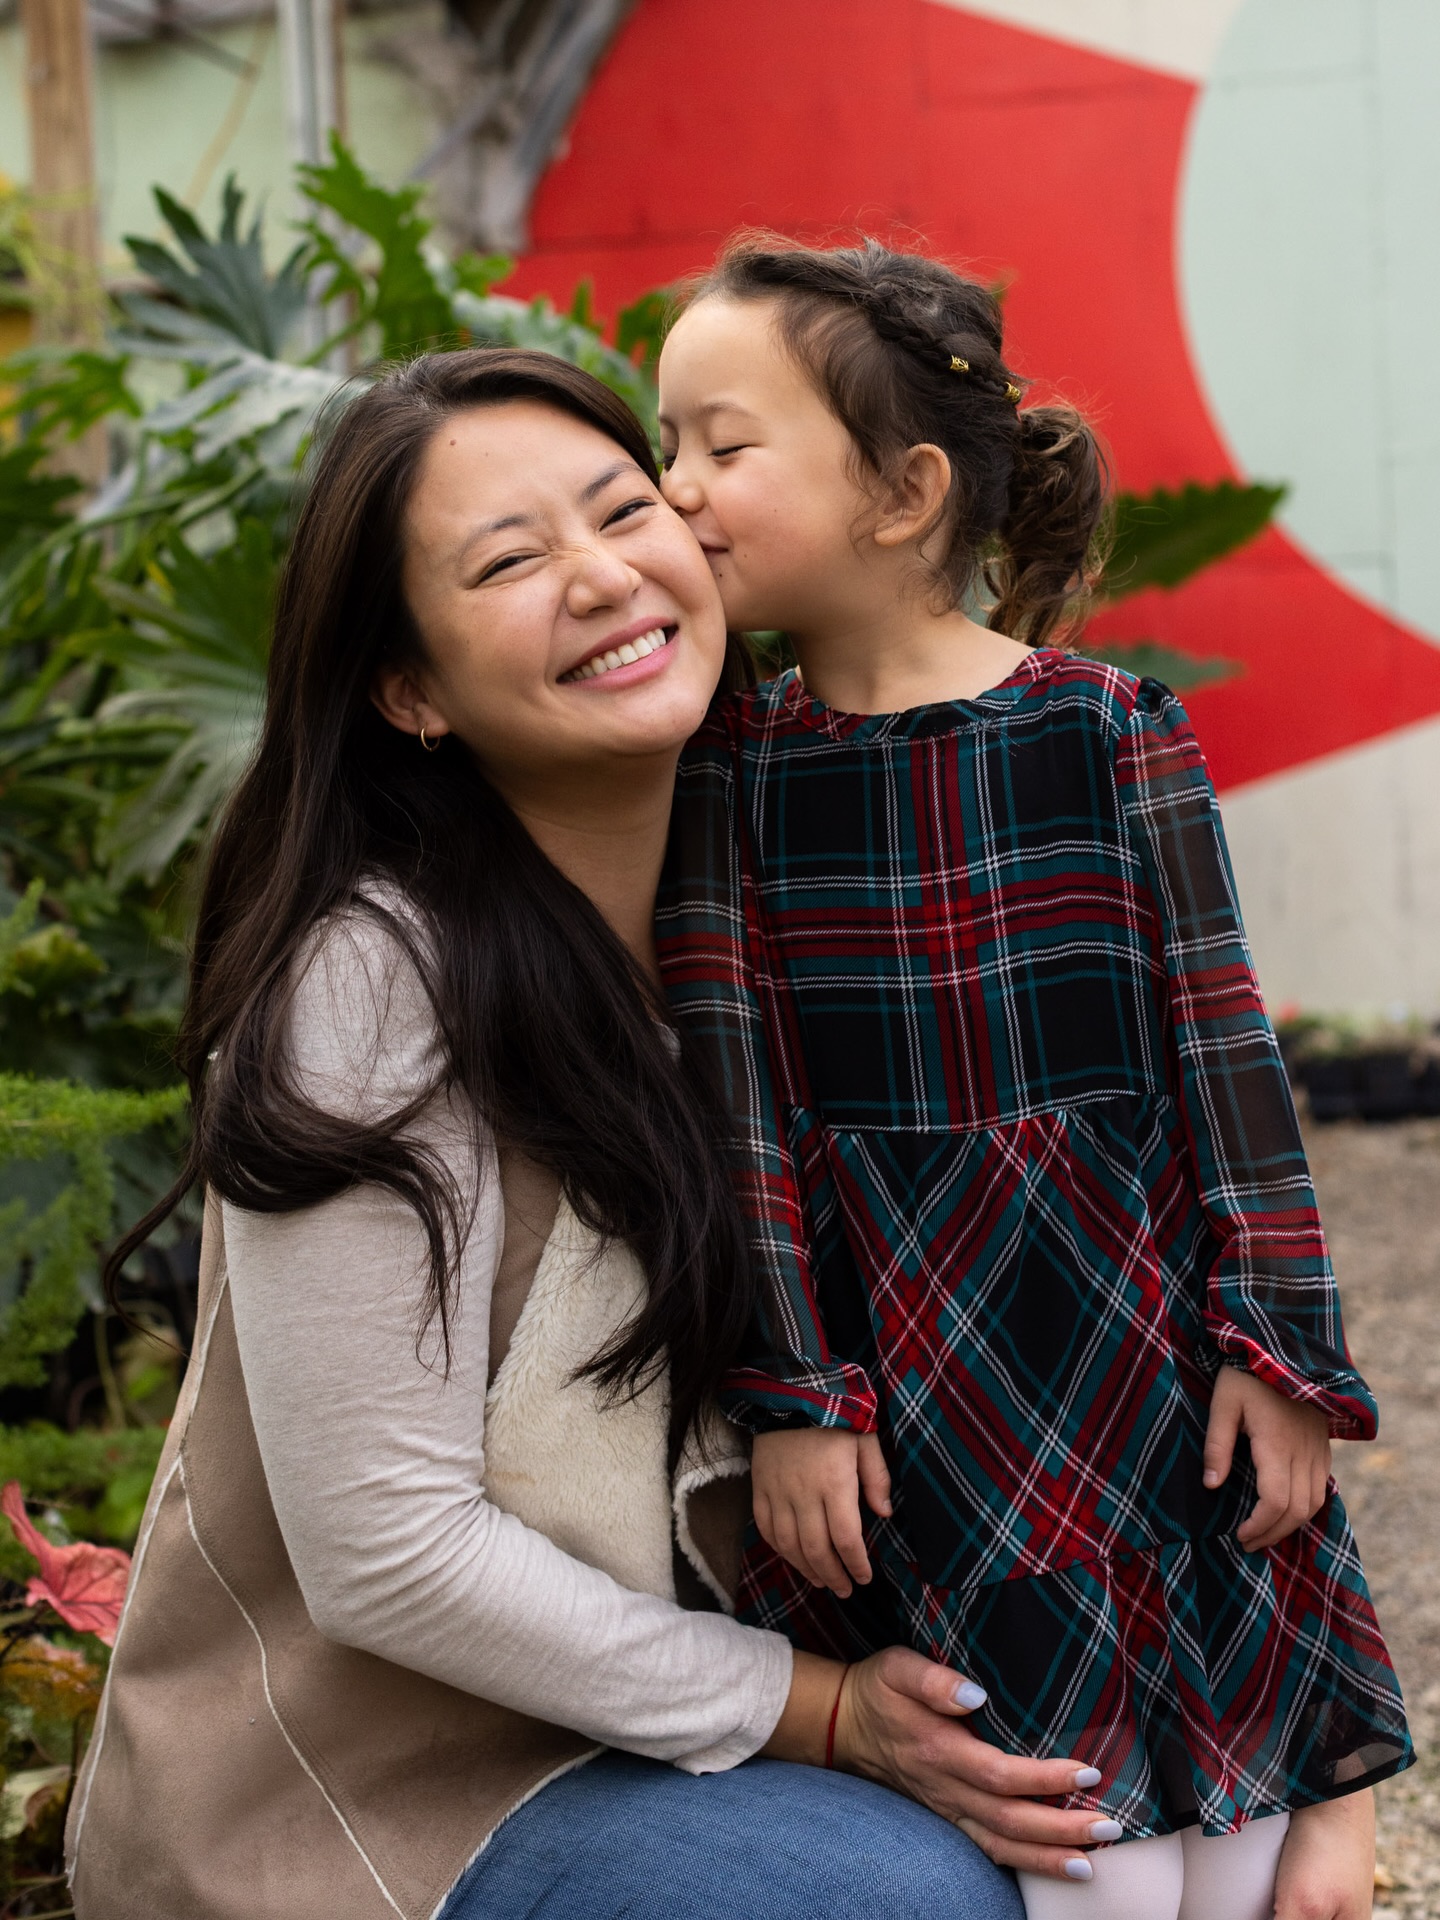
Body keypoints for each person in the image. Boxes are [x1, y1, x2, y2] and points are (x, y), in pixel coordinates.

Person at [67, 347, 1122, 1920]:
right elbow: (388, 1555)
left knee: (1115, 1816)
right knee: (886, 1899)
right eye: (506, 561)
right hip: (397, 1788)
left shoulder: (813, 883)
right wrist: (828, 1716)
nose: (597, 576)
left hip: (704, 1691)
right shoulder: (369, 981)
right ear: (409, 689)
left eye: (622, 509)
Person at [654, 238, 1412, 1920]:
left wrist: (1279, 1347)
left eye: (724, 444)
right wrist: (794, 1397)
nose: (675, 491)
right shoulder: (731, 772)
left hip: (1135, 1321)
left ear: (902, 491)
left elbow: (1223, 1055)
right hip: (918, 1373)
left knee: (1258, 1852)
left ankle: (1320, 1820)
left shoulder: (1109, 732)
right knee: (1073, 1848)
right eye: (668, 444)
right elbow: (739, 1113)